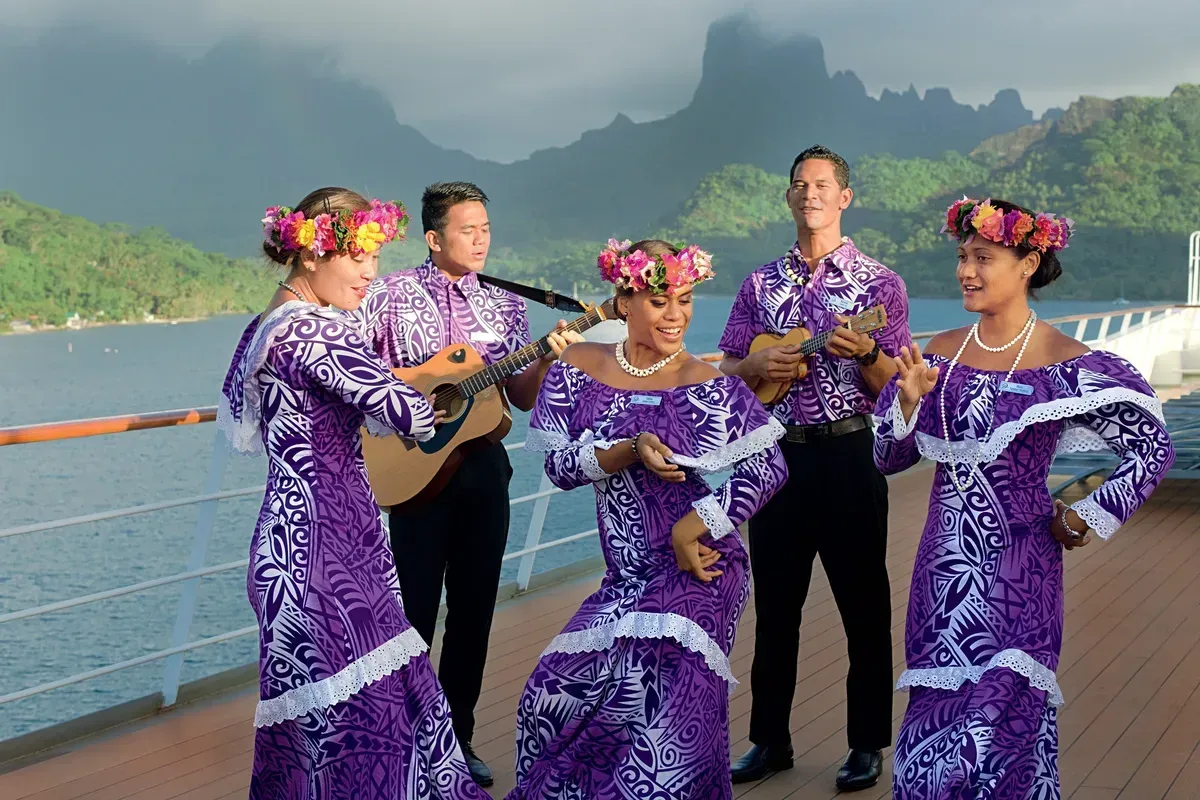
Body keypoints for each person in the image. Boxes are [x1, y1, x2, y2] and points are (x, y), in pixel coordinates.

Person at [874, 197, 1176, 798]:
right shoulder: (937, 356)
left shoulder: (1066, 363)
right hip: (941, 578)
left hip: (1022, 574)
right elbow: (888, 458)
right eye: (962, 256)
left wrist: (1089, 512)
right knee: (934, 735)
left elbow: (1152, 445)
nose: (966, 270)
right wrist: (906, 403)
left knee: (999, 731)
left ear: (1029, 263)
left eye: (983, 257)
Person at [218, 187, 489, 799]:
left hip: (303, 543)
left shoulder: (267, 327)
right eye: (357, 256)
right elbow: (410, 416)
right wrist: (435, 385)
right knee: (364, 724)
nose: (371, 273)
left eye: (374, 256)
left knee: (333, 728)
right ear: (311, 257)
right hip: (322, 556)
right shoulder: (315, 333)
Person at [505, 239, 788, 799]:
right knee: (549, 696)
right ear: (624, 299)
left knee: (660, 706)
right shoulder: (577, 368)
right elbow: (562, 467)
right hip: (625, 575)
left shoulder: (710, 384)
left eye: (685, 300)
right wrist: (626, 450)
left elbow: (770, 466)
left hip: (700, 567)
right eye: (661, 301)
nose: (677, 315)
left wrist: (697, 523)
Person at [355, 181, 582, 786]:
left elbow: (523, 398)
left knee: (475, 612)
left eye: (485, 228)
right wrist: (422, 392)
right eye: (466, 229)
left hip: (484, 470)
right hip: (414, 474)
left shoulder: (506, 304)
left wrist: (546, 356)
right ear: (434, 238)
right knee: (413, 617)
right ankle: (405, 747)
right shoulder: (387, 295)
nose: (480, 239)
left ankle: (457, 742)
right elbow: (359, 375)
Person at [719, 144, 910, 790]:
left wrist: (866, 354)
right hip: (778, 456)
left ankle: (866, 744)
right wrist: (753, 367)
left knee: (864, 604)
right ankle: (770, 739)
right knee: (776, 609)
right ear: (788, 197)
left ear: (845, 197)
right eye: (799, 185)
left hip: (851, 453)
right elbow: (726, 367)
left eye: (822, 185)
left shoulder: (879, 286)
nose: (810, 194)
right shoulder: (759, 284)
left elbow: (896, 385)